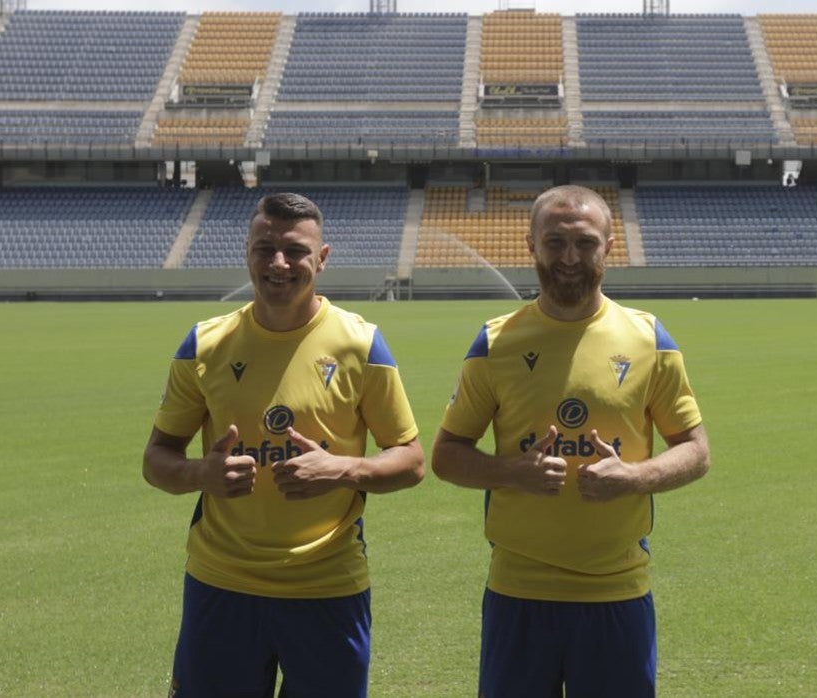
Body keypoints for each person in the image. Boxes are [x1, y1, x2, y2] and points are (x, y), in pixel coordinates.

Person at [431, 184, 711, 697]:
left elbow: (696, 451)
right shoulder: (494, 342)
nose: (568, 257)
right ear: (530, 245)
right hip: (518, 591)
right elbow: (446, 456)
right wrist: (511, 472)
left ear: (610, 245)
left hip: (616, 591)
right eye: (554, 241)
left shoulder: (649, 338)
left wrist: (633, 478)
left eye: (584, 242)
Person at [142, 192, 424, 697]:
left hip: (328, 587)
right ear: (246, 252)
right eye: (264, 248)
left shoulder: (361, 344)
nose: (278, 263)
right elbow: (156, 459)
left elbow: (411, 460)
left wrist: (342, 469)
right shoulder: (204, 345)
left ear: (322, 257)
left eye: (294, 250)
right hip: (222, 582)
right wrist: (199, 475)